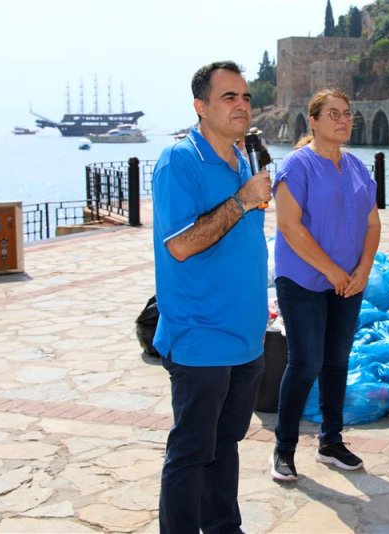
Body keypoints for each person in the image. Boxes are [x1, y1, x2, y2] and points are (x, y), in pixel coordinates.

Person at [151, 60, 272, 533]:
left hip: (246, 339)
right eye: (229, 97)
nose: (242, 104)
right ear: (200, 107)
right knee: (191, 453)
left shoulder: (241, 159)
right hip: (200, 337)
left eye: (245, 96)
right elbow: (180, 244)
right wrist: (242, 200)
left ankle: (224, 527)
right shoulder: (179, 161)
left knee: (226, 444)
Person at [270, 89, 381, 482]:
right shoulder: (297, 166)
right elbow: (288, 225)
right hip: (302, 279)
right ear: (312, 120)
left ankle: (330, 442)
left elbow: (371, 223)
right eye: (333, 114)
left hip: (348, 282)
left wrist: (364, 269)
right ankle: (283, 449)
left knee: (337, 361)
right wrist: (333, 271)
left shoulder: (356, 168)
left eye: (348, 114)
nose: (343, 120)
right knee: (305, 363)